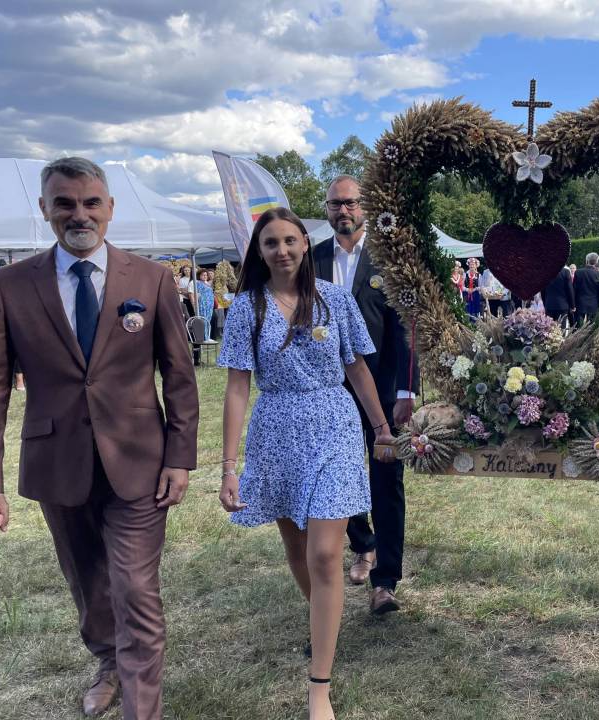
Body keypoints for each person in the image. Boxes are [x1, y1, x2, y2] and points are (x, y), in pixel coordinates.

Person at [0, 157, 198, 719]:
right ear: (45, 209)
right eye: (65, 203)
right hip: (57, 462)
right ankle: (108, 661)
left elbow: (179, 374)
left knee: (135, 588)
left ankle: (141, 709)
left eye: (91, 202)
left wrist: (180, 457)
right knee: (87, 583)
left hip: (140, 463)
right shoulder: (8, 285)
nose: (80, 214)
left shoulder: (151, 279)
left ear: (110, 208)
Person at [219, 207, 395, 720]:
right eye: (271, 242)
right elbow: (236, 388)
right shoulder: (247, 307)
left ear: (304, 243)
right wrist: (228, 466)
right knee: (297, 550)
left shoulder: (335, 299)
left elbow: (356, 367)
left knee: (324, 552)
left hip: (335, 425)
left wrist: (381, 428)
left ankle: (320, 686)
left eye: (290, 240)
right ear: (259, 251)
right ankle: (324, 621)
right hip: (276, 432)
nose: (282, 251)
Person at [313, 175, 418, 614]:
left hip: (382, 388)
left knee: (385, 480)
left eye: (350, 203)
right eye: (335, 204)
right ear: (326, 210)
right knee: (337, 476)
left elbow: (408, 328)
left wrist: (407, 388)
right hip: (327, 392)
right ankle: (363, 544)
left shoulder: (389, 260)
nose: (343, 210)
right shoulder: (312, 259)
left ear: (365, 208)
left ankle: (386, 581)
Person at [573, 252, 599, 324]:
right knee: (592, 328)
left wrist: (573, 304)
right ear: (597, 262)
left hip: (580, 303)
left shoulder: (578, 272)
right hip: (594, 304)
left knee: (577, 327)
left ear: (586, 260)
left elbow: (574, 289)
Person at [189, 268, 215, 337]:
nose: (205, 276)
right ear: (199, 276)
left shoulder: (208, 283)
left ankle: (207, 336)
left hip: (209, 304)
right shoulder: (196, 282)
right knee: (203, 319)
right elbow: (193, 294)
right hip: (202, 304)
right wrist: (194, 304)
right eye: (203, 275)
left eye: (206, 275)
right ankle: (203, 337)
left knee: (208, 320)